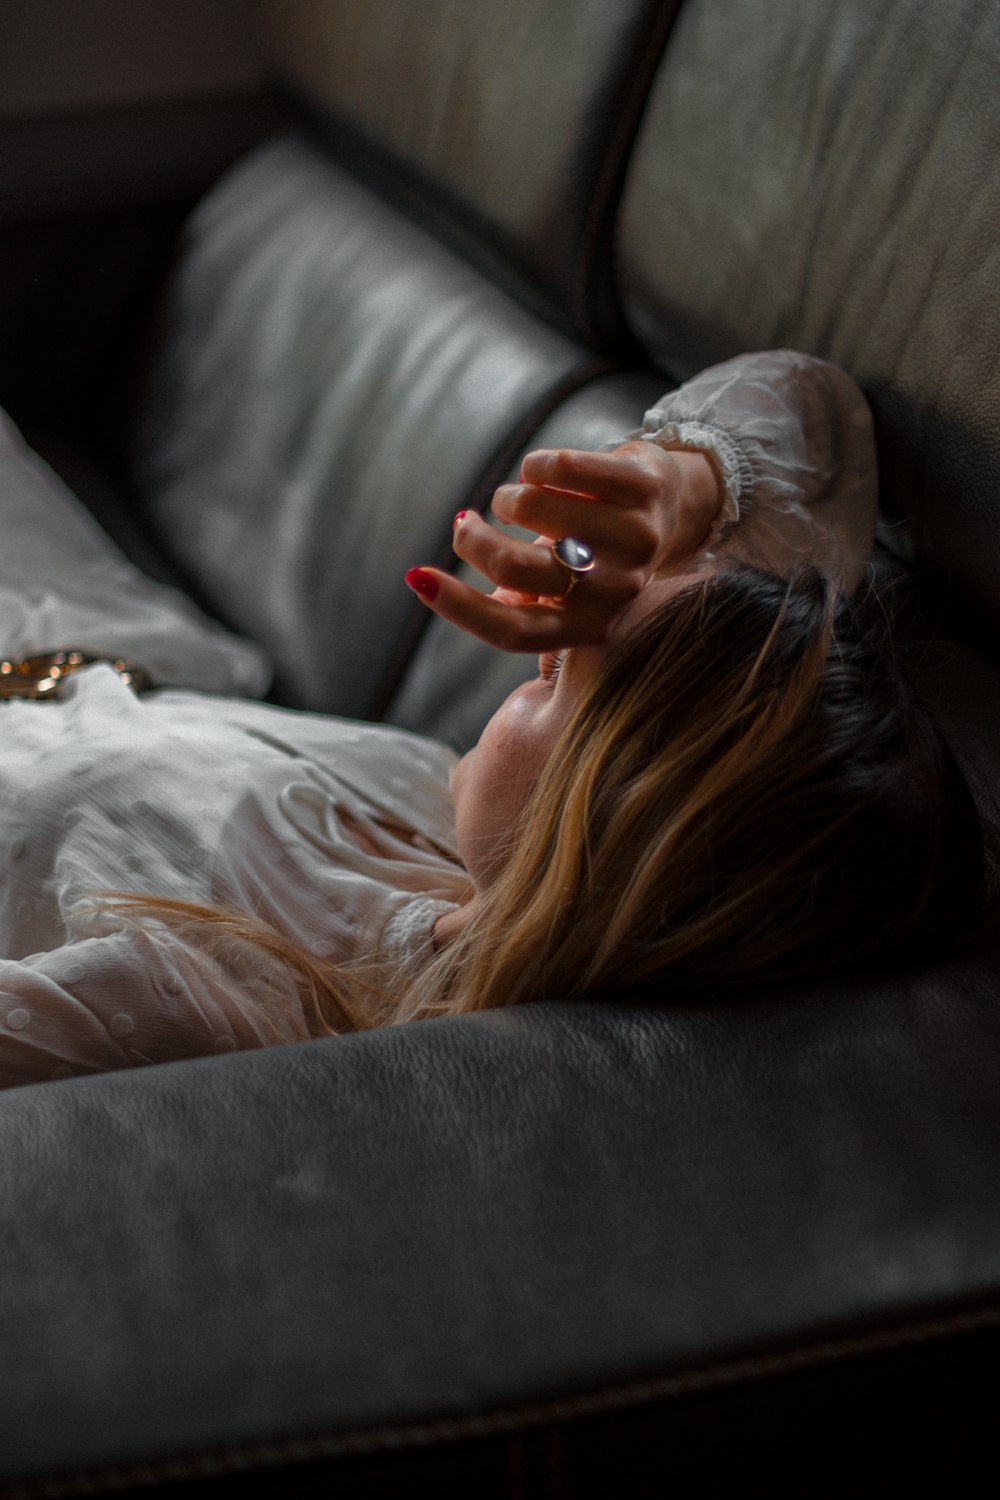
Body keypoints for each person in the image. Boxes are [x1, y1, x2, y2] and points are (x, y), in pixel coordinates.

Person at [0, 351, 986, 1087]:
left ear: (603, 838)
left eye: (567, 678)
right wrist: (680, 478)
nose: (549, 640)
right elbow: (807, 408)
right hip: (102, 624)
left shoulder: (202, 1009)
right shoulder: (464, 847)